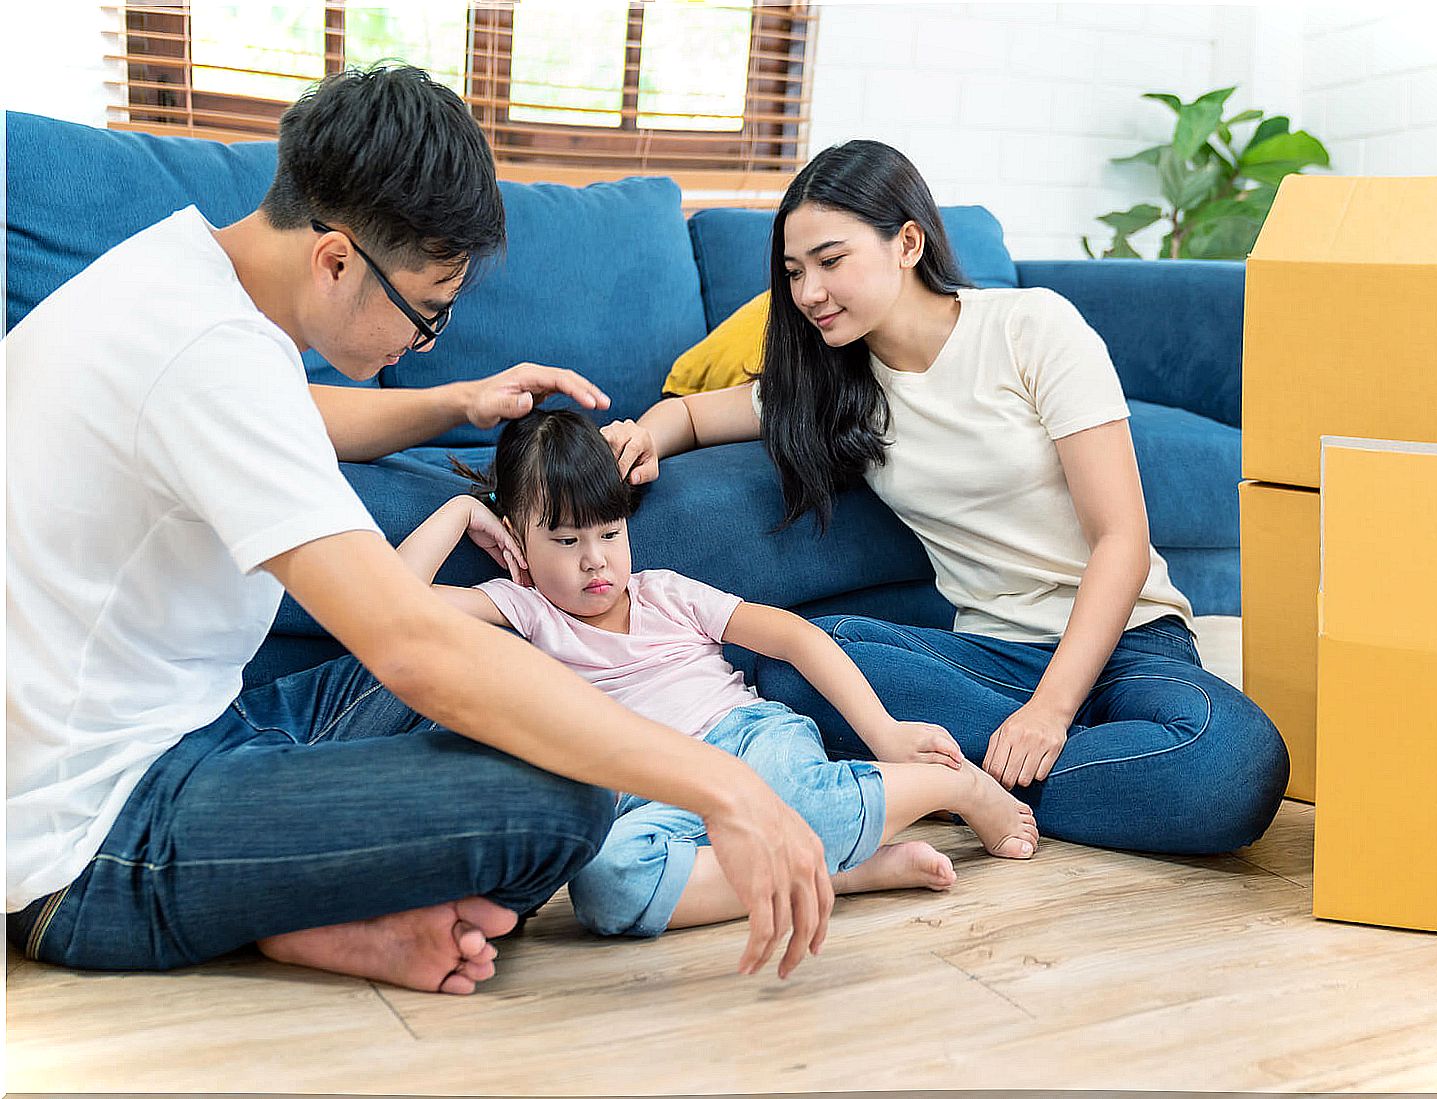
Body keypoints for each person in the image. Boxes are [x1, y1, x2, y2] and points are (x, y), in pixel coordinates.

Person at [5, 65, 837, 996]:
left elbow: (288, 413)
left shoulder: (182, 277)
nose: (424, 339)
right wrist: (730, 789)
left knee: (517, 675)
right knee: (561, 800)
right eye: (429, 310)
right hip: (90, 835)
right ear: (335, 260)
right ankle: (285, 912)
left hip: (204, 723)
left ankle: (315, 918)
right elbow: (409, 646)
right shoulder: (210, 357)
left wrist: (461, 402)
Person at [602, 139, 1290, 856]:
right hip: (992, 657)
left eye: (830, 261)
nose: (807, 292)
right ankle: (1019, 779)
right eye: (794, 271)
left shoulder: (1032, 327)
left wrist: (1050, 714)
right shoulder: (836, 389)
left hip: (1129, 644)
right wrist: (641, 437)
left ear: (906, 242)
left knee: (1233, 764)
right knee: (797, 666)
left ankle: (956, 777)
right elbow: (689, 414)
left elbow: (1121, 537)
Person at [400, 408, 1041, 939]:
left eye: (609, 533)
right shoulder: (526, 611)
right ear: (517, 538)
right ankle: (842, 873)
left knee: (806, 803)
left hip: (746, 743)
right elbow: (391, 605)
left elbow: (796, 637)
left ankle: (955, 788)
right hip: (649, 788)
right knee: (604, 888)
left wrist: (883, 732)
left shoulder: (663, 593)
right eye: (565, 542)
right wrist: (461, 511)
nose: (595, 562)